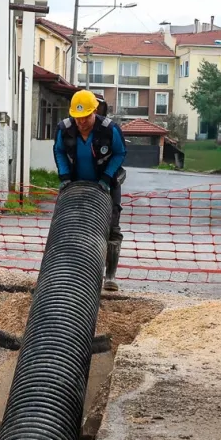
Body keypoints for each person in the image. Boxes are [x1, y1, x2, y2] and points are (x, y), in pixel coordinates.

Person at [53, 89, 127, 290]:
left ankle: (109, 276)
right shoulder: (65, 129)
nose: (81, 122)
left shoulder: (109, 129)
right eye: (77, 117)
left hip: (106, 182)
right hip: (76, 184)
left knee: (112, 228)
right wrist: (64, 176)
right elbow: (59, 151)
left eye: (85, 117)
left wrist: (107, 177)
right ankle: (72, 271)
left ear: (94, 111)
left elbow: (120, 153)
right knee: (71, 225)